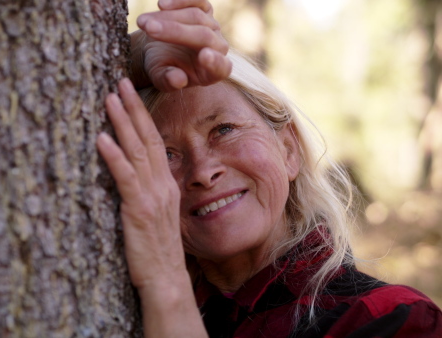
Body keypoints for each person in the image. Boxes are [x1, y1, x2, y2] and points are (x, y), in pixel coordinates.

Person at [96, 0, 442, 336]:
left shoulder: (392, 319)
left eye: (224, 129)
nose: (202, 171)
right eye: (165, 153)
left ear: (289, 148)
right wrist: (135, 56)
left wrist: (166, 286)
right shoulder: (115, 299)